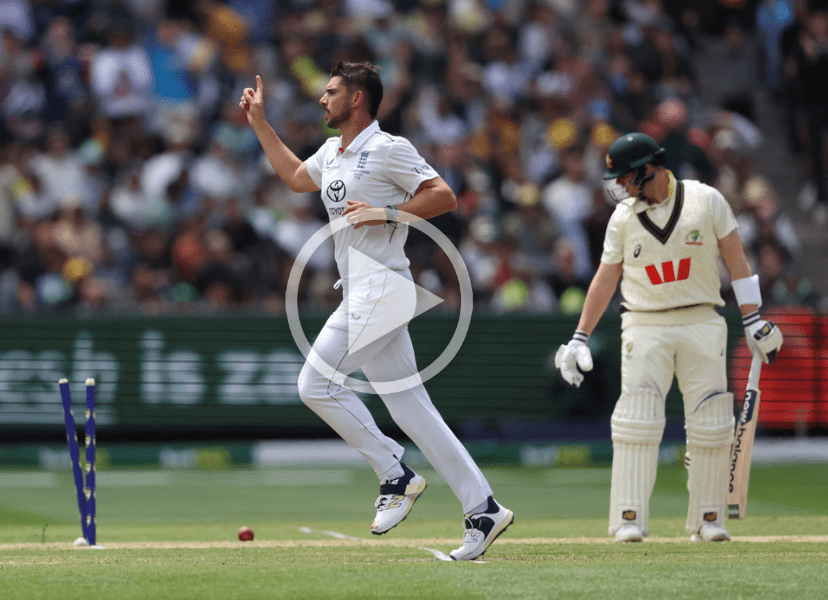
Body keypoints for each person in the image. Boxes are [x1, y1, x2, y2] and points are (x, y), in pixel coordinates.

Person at [240, 61, 513, 560]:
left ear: (357, 98)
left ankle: (395, 473)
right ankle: (484, 508)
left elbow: (444, 196)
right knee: (412, 410)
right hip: (362, 291)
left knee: (314, 384)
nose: (322, 99)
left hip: (382, 286)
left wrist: (385, 213)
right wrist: (260, 123)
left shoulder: (389, 148)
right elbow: (296, 177)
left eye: (331, 92)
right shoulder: (332, 152)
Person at [554, 133, 784, 543]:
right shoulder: (622, 218)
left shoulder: (706, 200)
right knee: (637, 419)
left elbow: (738, 261)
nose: (620, 186)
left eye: (625, 177)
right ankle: (628, 518)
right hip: (644, 324)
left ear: (648, 169)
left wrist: (753, 320)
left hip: (702, 320)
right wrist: (579, 337)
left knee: (712, 423)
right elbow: (605, 279)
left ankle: (708, 518)